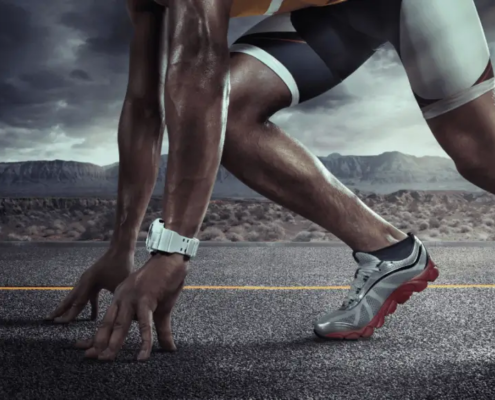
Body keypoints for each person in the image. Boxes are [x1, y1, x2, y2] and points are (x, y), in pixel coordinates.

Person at [45, 0, 493, 361]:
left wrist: (172, 252)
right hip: (336, 8)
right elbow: (145, 106)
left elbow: (198, 73)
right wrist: (121, 247)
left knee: (479, 157)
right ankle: (391, 253)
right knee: (230, 116)